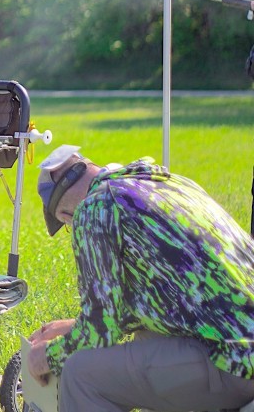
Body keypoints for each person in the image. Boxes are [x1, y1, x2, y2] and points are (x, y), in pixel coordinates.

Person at [27, 143, 254, 412]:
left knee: (80, 375)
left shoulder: (94, 208)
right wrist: (76, 325)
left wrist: (45, 358)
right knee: (146, 338)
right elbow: (169, 302)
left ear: (66, 216)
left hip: (234, 363)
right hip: (241, 346)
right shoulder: (168, 183)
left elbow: (100, 333)